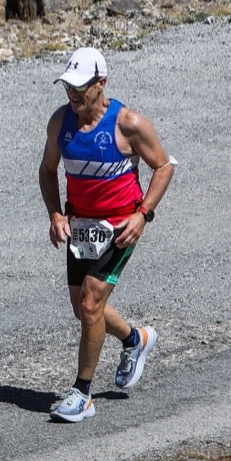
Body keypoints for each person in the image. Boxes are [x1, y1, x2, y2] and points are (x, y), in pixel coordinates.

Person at [39, 47, 176, 423]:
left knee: (90, 304)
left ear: (102, 83)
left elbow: (163, 166)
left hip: (119, 229)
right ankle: (135, 339)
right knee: (84, 309)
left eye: (81, 87)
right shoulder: (60, 122)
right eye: (68, 86)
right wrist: (54, 213)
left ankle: (82, 394)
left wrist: (143, 215)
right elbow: (47, 169)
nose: (73, 94)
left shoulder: (128, 123)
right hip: (81, 227)